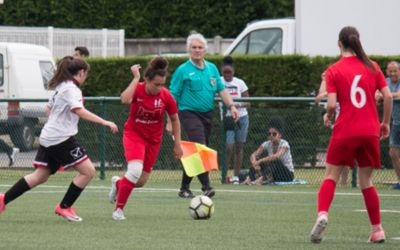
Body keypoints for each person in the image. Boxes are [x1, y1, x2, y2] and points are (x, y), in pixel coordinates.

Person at [0, 56, 118, 222]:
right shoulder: (71, 89)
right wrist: (105, 122)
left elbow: (48, 109)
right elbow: (80, 111)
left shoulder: (62, 86)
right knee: (88, 171)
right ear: (82, 72)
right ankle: (64, 207)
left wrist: (60, 119)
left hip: (49, 136)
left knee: (40, 175)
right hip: (60, 138)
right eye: (86, 74)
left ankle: (3, 199)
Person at [310, 26, 392, 244]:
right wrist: (384, 123)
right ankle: (377, 230)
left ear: (339, 44)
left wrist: (328, 116)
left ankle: (323, 214)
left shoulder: (334, 70)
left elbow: (332, 104)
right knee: (366, 181)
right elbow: (388, 97)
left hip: (346, 129)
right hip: (369, 131)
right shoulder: (372, 66)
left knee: (331, 176)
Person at [108, 57, 183, 220]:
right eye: (156, 84)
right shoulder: (138, 88)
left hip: (153, 140)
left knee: (141, 181)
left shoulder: (166, 96)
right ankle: (118, 210)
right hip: (134, 135)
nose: (159, 88)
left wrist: (178, 144)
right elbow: (124, 99)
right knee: (134, 171)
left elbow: (175, 119)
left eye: (162, 84)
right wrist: (135, 78)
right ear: (147, 80)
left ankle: (118, 184)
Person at [167, 32, 239, 199]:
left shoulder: (212, 68)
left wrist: (232, 106)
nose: (197, 50)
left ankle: (184, 187)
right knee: (200, 148)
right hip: (188, 113)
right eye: (194, 47)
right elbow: (171, 97)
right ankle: (206, 186)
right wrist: (170, 121)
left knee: (197, 151)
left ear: (205, 50)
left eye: (200, 47)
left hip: (207, 114)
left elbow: (222, 90)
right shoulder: (182, 70)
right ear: (188, 50)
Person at [316, 71, 351, 187]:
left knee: (343, 156)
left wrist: (328, 116)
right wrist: (324, 80)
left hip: (350, 125)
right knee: (337, 155)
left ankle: (341, 183)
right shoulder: (332, 90)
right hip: (341, 127)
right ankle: (341, 184)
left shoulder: (344, 85)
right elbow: (323, 99)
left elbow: (333, 93)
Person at [220, 56, 250, 184]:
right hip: (227, 119)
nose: (227, 75)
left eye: (229, 73)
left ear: (233, 71)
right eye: (225, 72)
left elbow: (248, 102)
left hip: (241, 117)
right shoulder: (219, 82)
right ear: (221, 70)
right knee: (228, 146)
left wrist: (237, 105)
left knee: (239, 146)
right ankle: (224, 175)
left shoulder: (240, 83)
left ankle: (236, 176)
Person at [242, 117, 294, 185]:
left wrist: (260, 161)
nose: (271, 136)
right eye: (269, 134)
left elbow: (276, 157)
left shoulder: (285, 144)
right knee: (259, 160)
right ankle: (249, 178)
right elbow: (253, 155)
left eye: (274, 134)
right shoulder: (267, 144)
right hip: (275, 174)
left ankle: (261, 179)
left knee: (274, 160)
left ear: (280, 135)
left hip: (287, 175)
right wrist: (255, 163)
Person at [376, 61, 400, 190]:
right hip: (396, 122)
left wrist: (387, 96)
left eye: (395, 71)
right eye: (390, 71)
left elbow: (393, 95)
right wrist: (382, 96)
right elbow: (377, 95)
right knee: (393, 153)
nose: (393, 73)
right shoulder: (386, 81)